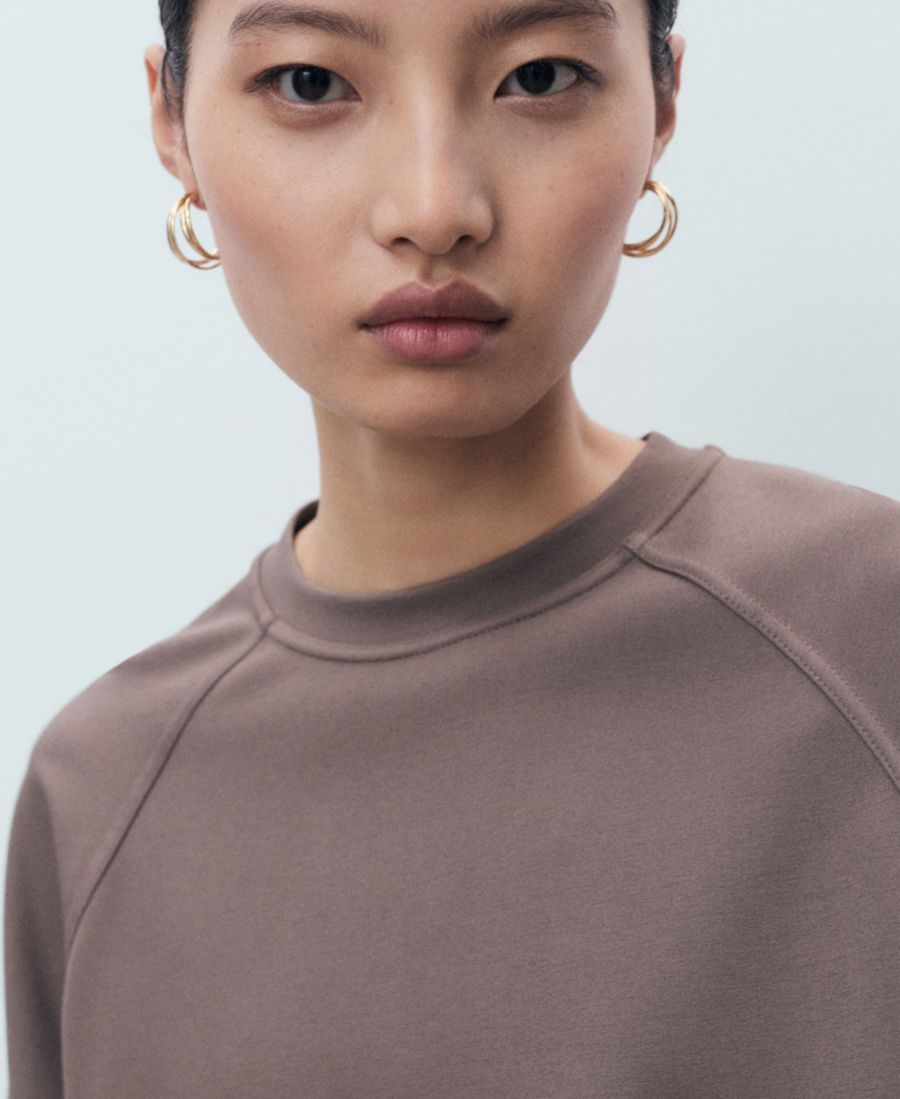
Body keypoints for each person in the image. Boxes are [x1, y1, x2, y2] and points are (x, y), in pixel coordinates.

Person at [4, 0, 899, 1094]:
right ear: (172, 122)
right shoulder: (98, 797)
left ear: (663, 104)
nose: (434, 210)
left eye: (540, 77)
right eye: (310, 84)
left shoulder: (869, 640)